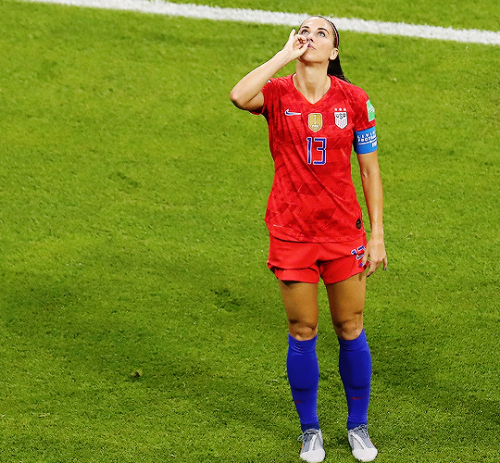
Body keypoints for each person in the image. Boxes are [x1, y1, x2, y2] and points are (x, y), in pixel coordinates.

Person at [230, 15, 387, 463]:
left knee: (350, 327)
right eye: (304, 30)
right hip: (292, 234)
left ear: (334, 52)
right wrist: (283, 56)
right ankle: (310, 430)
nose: (310, 36)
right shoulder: (277, 94)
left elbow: (370, 169)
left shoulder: (356, 101)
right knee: (302, 330)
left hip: (343, 235)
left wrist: (376, 236)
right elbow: (239, 95)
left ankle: (358, 426)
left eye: (321, 33)